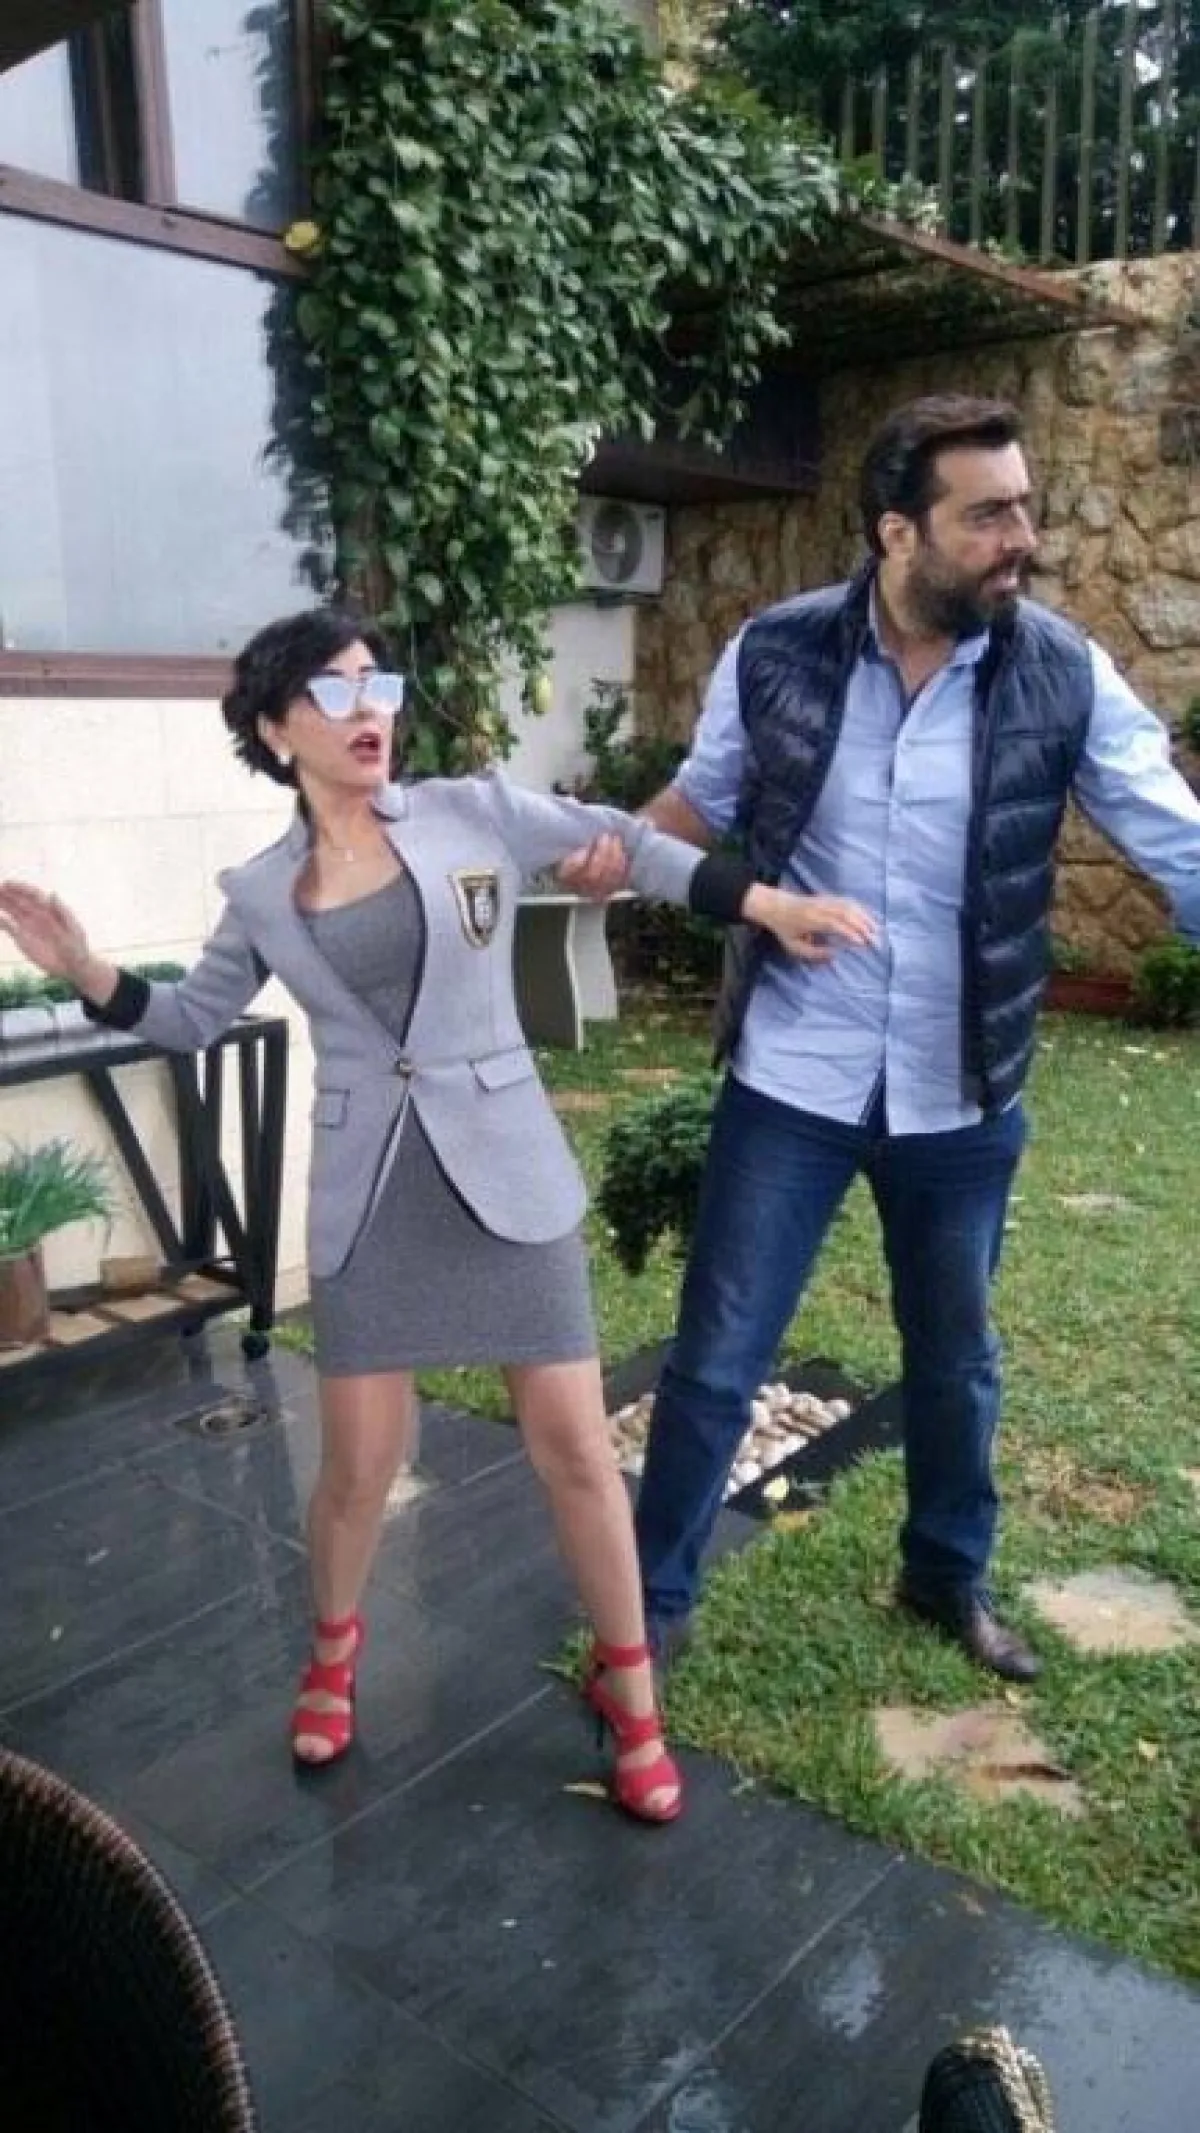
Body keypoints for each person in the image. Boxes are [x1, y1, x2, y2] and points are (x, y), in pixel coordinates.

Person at [0, 606, 875, 1822]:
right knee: (359, 1468)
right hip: (372, 1191)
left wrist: (766, 905)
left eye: (379, 684)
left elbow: (633, 843)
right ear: (275, 730)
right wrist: (89, 971)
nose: (370, 711)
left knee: (575, 1451)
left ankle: (631, 1696)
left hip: (506, 1171)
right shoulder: (262, 891)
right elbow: (193, 1020)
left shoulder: (473, 811)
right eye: (334, 691)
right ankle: (333, 1657)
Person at [561, 393, 1200, 1683]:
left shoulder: (1060, 669)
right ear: (898, 531)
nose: (1022, 539)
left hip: (962, 1088)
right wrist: (606, 851)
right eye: (989, 515)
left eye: (1025, 507)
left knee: (956, 1359)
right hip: (791, 1078)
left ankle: (945, 1576)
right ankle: (655, 1603)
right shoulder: (778, 650)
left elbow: (1169, 828)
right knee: (716, 1358)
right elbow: (701, 802)